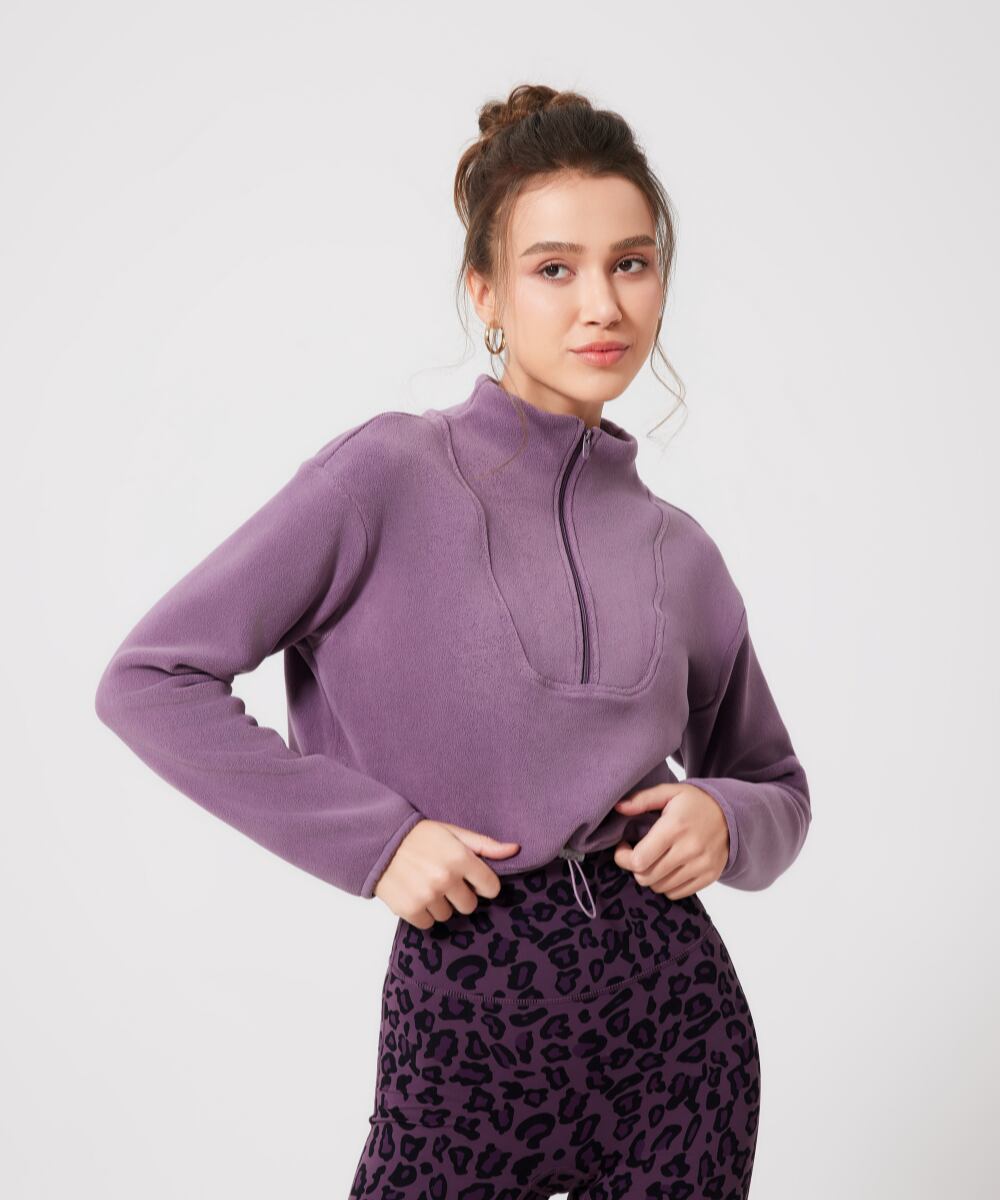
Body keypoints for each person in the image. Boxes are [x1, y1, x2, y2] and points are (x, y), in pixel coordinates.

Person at [95, 83, 811, 1200]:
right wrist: (378, 843)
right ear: (486, 290)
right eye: (554, 267)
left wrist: (727, 817)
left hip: (679, 1032)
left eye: (631, 263)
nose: (601, 304)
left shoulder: (681, 553)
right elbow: (149, 679)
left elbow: (776, 786)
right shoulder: (385, 476)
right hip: (470, 1017)